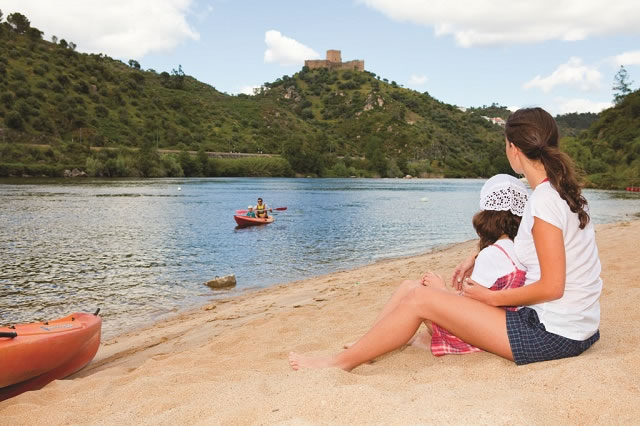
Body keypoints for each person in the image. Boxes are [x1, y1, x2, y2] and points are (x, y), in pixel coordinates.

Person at [289, 107, 602, 371]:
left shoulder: (544, 201)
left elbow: (552, 287)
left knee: (420, 299)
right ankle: (363, 347)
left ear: (513, 148)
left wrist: (490, 298)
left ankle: (337, 363)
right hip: (575, 328)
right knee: (414, 288)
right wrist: (477, 256)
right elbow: (538, 253)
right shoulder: (562, 193)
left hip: (550, 334)